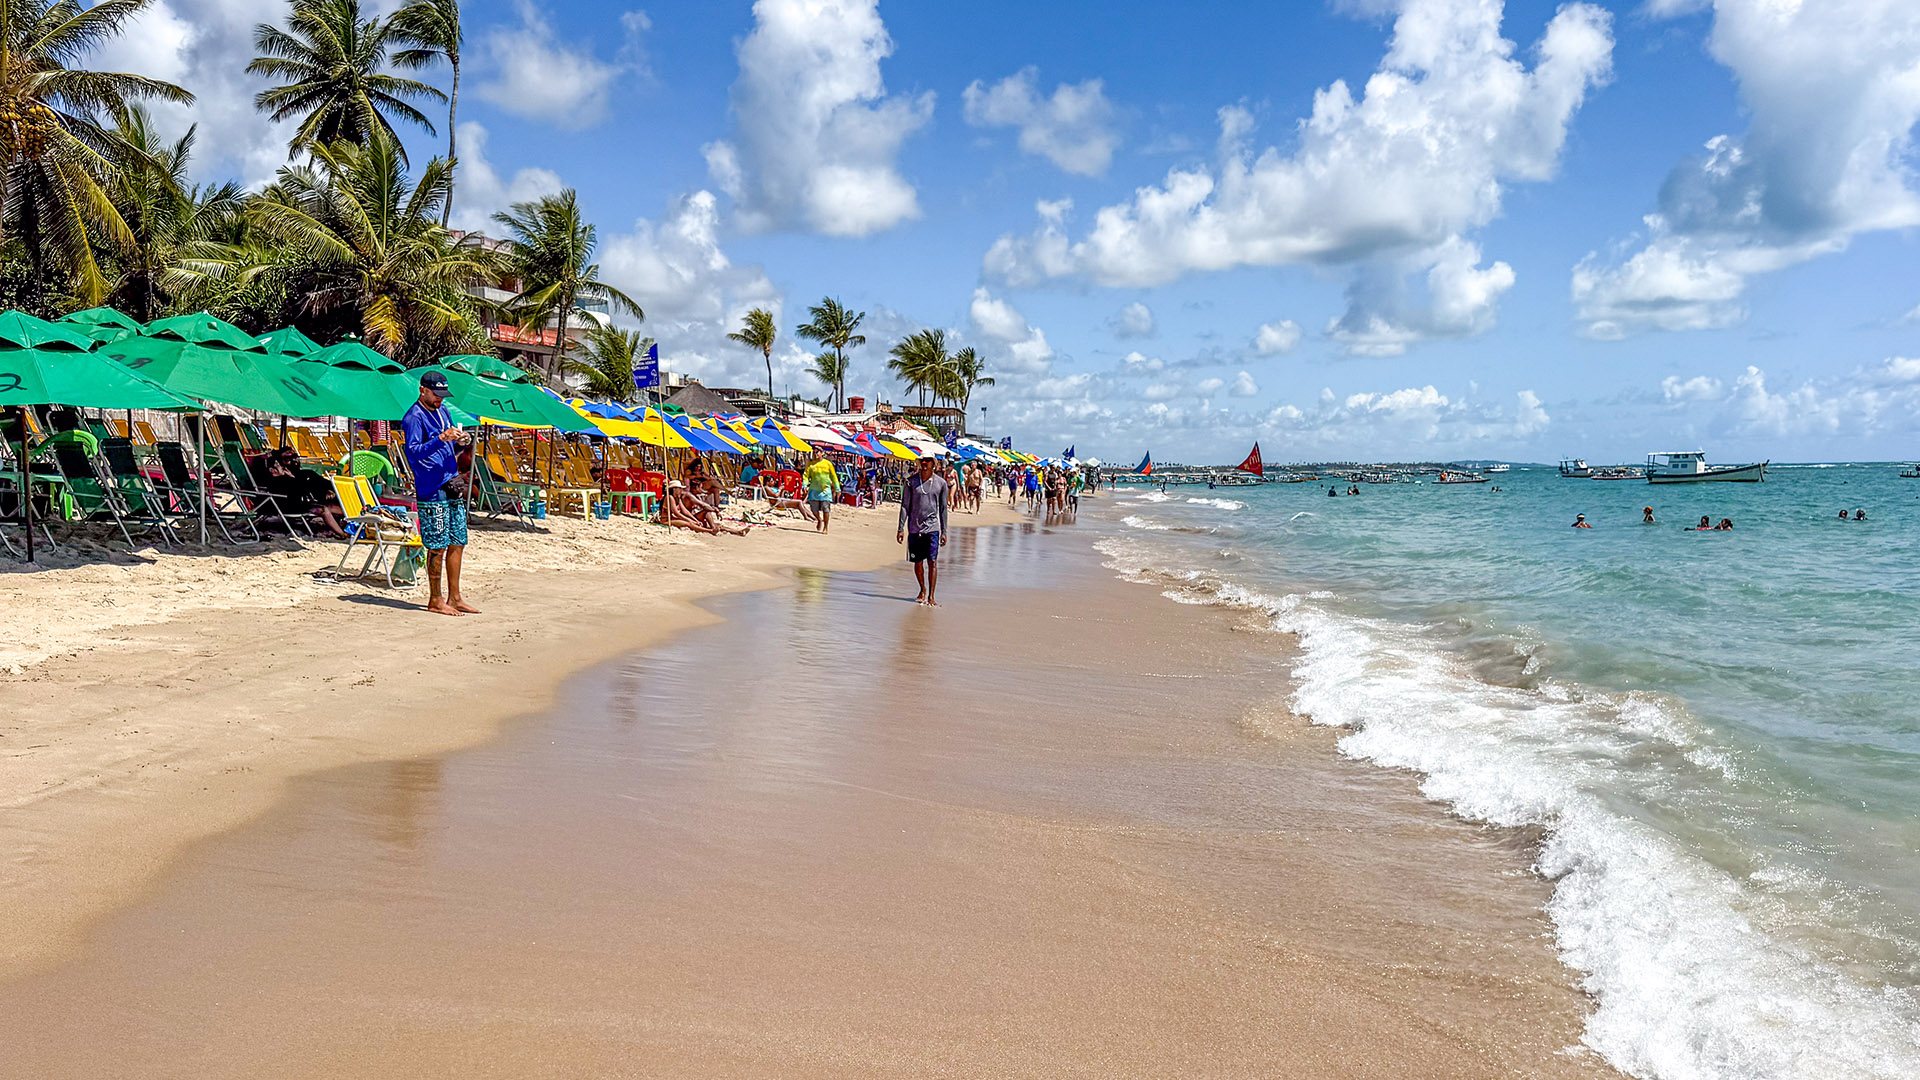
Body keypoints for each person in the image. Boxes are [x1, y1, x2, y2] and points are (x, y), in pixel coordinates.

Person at [400, 371, 477, 616]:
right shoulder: (414, 417)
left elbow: (450, 444)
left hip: (450, 481)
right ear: (423, 390)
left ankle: (455, 596)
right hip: (431, 487)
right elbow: (413, 452)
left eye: (443, 395)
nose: (440, 400)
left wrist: (461, 440)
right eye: (436, 394)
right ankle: (436, 598)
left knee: (457, 540)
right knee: (437, 545)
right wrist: (441, 438)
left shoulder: (443, 411)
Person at [897, 456, 950, 605]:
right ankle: (922, 589)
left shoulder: (941, 483)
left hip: (933, 528)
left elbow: (943, 509)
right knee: (918, 562)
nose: (924, 463)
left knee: (932, 561)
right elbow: (904, 505)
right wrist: (900, 528)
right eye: (923, 460)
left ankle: (931, 596)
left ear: (934, 464)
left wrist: (944, 531)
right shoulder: (911, 482)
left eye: (928, 460)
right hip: (915, 528)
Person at [263, 447, 347, 537]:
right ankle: (343, 534)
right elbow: (298, 491)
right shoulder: (277, 481)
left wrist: (327, 490)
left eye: (294, 457)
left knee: (342, 507)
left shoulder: (303, 473)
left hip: (307, 502)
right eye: (287, 459)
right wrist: (290, 478)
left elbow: (318, 484)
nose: (293, 461)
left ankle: (347, 528)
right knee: (324, 509)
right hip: (292, 506)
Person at [803, 451, 839, 533]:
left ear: (822, 453)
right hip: (814, 490)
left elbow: (833, 476)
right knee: (814, 509)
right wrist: (804, 485)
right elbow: (806, 475)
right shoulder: (810, 464)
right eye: (814, 452)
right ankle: (819, 519)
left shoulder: (828, 464)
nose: (815, 454)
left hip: (825, 490)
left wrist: (837, 488)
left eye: (817, 452)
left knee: (826, 509)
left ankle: (825, 527)